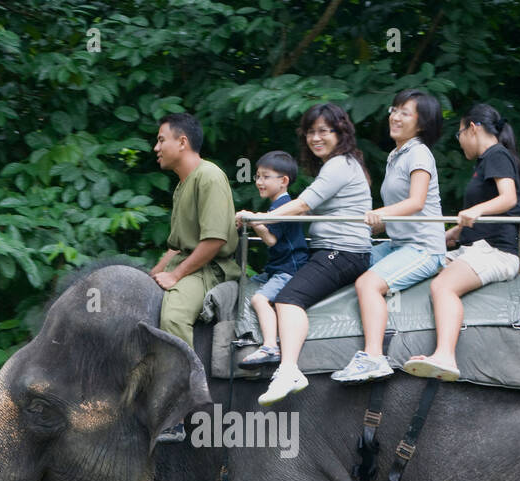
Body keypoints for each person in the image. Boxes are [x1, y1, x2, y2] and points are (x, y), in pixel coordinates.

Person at [245, 103, 372, 406]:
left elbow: (302, 205)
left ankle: (288, 369)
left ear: (340, 133)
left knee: (289, 298)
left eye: (324, 131)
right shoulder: (339, 164)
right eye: (311, 132)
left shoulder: (340, 164)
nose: (316, 137)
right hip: (328, 250)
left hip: (342, 252)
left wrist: (258, 218)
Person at [332, 89, 447, 383]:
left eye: (405, 113)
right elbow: (398, 215)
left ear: (421, 124)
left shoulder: (419, 153)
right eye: (394, 110)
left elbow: (416, 202)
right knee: (351, 257)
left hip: (423, 249)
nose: (395, 117)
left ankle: (374, 357)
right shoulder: (396, 155)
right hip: (398, 244)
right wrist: (366, 225)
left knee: (368, 283)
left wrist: (380, 214)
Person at [404, 103, 520, 381]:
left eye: (459, 135)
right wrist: (455, 232)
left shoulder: (496, 155)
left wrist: (476, 211)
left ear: (472, 128)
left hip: (496, 253)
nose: (459, 143)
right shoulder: (485, 162)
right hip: (474, 247)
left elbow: (509, 198)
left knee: (443, 286)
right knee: (424, 263)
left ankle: (445, 355)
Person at [148, 113, 240, 442]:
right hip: (191, 262)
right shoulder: (183, 183)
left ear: (182, 142)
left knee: (173, 313)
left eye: (161, 140)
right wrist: (155, 273)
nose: (156, 147)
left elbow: (214, 240)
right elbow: (176, 247)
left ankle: (181, 411)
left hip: (213, 269)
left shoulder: (209, 176)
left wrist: (176, 277)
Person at [237, 151, 309, 367]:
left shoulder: (283, 207)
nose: (259, 182)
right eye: (257, 176)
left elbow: (270, 240)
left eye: (266, 176)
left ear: (283, 181)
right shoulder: (278, 205)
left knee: (259, 299)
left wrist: (252, 220)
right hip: (278, 267)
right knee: (248, 286)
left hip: (289, 269)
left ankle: (270, 346)